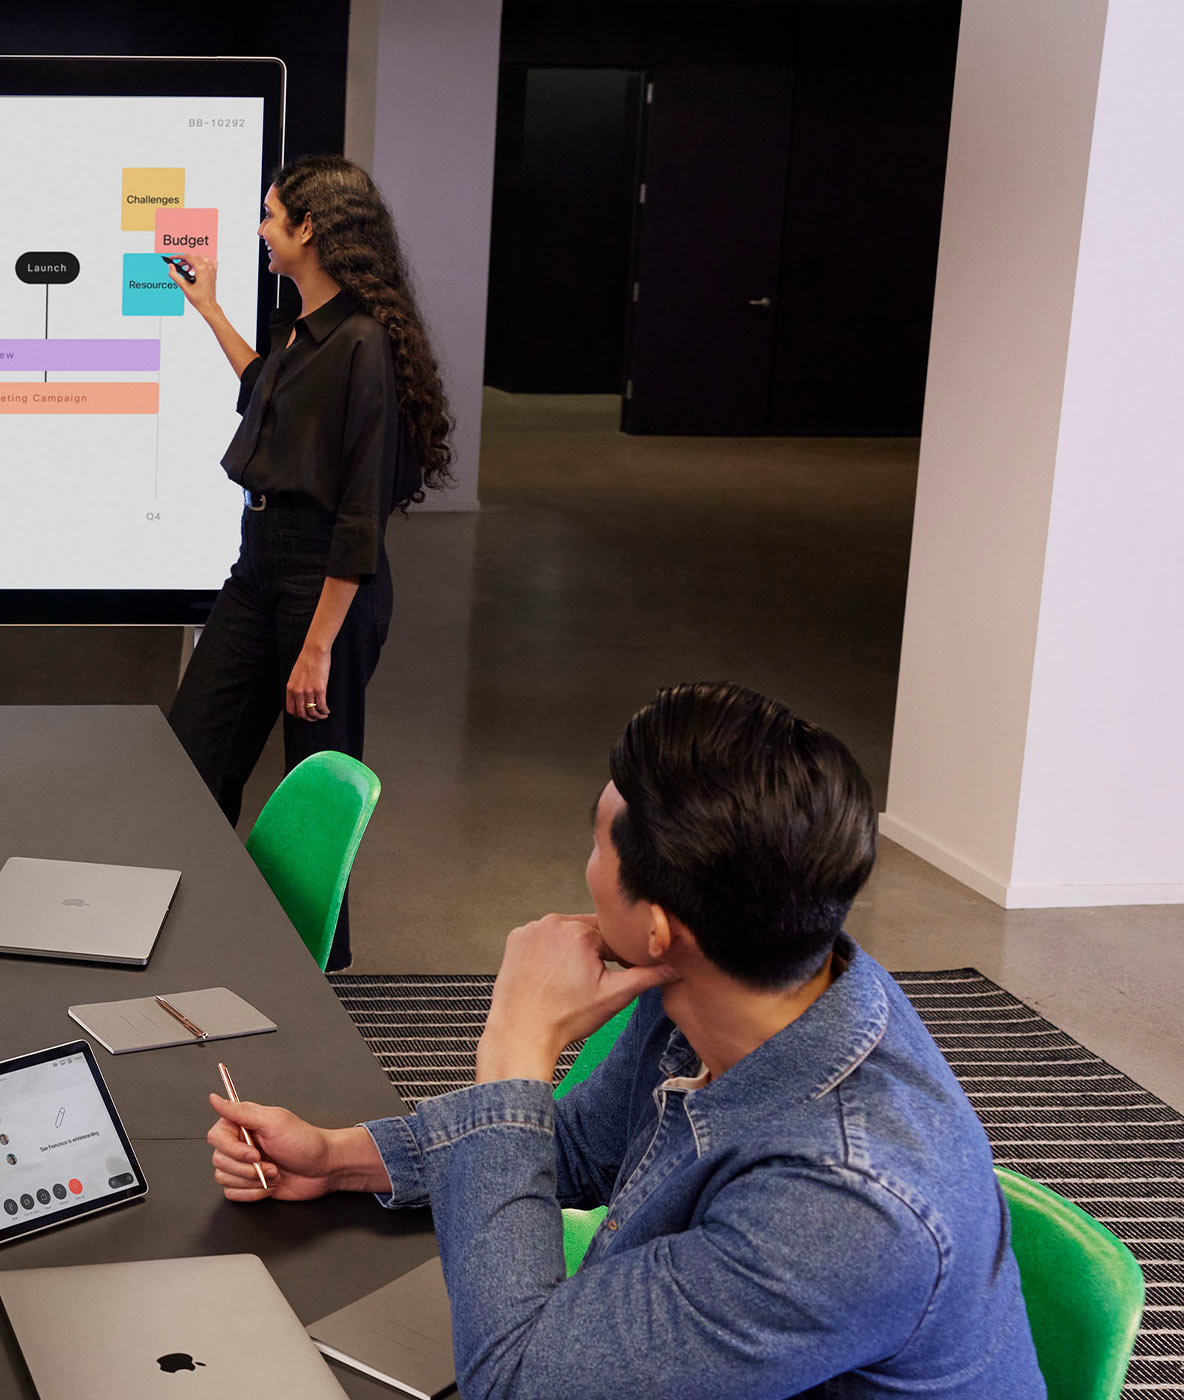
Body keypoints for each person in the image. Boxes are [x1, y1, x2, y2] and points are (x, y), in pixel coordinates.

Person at [204, 683, 1044, 1399]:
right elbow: (585, 1143)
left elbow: (518, 1382)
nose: (584, 865)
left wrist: (512, 1053)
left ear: (656, 928)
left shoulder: (847, 1209)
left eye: (597, 839)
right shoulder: (751, 976)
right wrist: (337, 1155)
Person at [164, 155, 455, 969]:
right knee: (193, 755)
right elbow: (268, 395)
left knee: (313, 788)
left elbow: (360, 513)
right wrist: (212, 311)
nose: (260, 231)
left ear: (309, 229)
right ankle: (185, 932)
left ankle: (317, 973)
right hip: (259, 572)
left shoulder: (363, 344)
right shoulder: (304, 331)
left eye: (270, 216)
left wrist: (319, 644)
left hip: (325, 588)